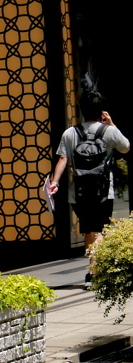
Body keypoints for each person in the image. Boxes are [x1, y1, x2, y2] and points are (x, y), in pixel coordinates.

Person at [47, 90, 130, 288]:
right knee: (99, 230)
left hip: (78, 193)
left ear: (81, 110)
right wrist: (111, 124)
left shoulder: (70, 133)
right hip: (103, 191)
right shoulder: (108, 131)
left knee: (89, 230)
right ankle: (94, 273)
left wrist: (54, 182)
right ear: (101, 111)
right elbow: (126, 147)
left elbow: (62, 158)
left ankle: (92, 269)